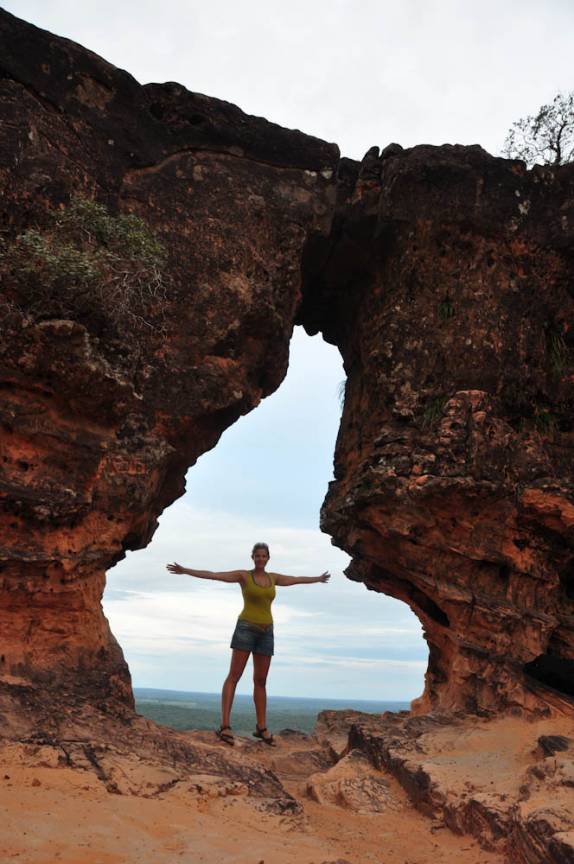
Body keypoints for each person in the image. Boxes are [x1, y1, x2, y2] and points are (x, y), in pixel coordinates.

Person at [166, 543, 330, 746]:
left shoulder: (273, 578)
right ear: (252, 557)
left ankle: (261, 727)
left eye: (264, 556)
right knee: (234, 676)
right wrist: (185, 570)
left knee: (261, 681)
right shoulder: (244, 576)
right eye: (257, 555)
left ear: (268, 558)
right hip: (246, 628)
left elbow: (296, 579)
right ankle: (225, 726)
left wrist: (318, 579)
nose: (260, 559)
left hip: (266, 631)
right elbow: (214, 575)